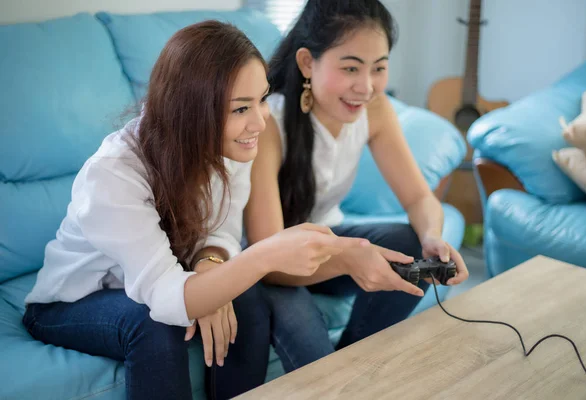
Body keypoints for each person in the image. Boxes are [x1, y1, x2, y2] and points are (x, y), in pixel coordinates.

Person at [22, 21, 366, 400]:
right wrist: (264, 256)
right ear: (192, 111)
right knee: (154, 324)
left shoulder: (234, 146)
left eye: (262, 99)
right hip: (71, 302)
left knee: (244, 296)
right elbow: (166, 297)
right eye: (241, 108)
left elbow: (221, 233)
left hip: (165, 276)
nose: (260, 121)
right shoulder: (113, 175)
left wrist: (210, 265)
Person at [244, 0, 470, 373]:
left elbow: (417, 197)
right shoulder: (269, 121)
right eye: (350, 68)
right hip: (266, 263)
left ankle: (357, 364)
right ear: (306, 63)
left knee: (410, 244)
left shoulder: (376, 110)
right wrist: (349, 257)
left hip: (325, 246)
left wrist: (433, 237)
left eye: (378, 68)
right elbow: (269, 258)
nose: (365, 87)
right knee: (311, 347)